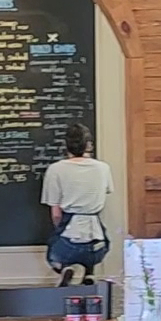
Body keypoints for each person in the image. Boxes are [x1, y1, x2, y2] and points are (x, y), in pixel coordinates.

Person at [41, 122, 112, 286]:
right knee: (93, 250)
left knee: (55, 255)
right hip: (97, 242)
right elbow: (105, 193)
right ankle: (89, 273)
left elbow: (56, 214)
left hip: (69, 239)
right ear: (89, 145)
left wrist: (59, 230)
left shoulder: (55, 170)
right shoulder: (103, 168)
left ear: (66, 145)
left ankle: (66, 267)